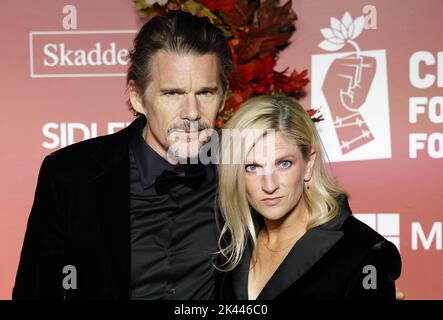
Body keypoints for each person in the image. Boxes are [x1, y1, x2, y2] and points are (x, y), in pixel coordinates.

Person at [13, 10, 233, 300]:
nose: (191, 113)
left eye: (205, 93)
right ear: (137, 96)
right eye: (172, 94)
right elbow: (37, 291)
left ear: (224, 95)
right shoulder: (71, 175)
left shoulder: (243, 166)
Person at [216, 95, 402, 300]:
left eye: (284, 163)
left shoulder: (364, 252)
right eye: (252, 167)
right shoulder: (231, 246)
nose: (269, 185)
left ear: (309, 163)